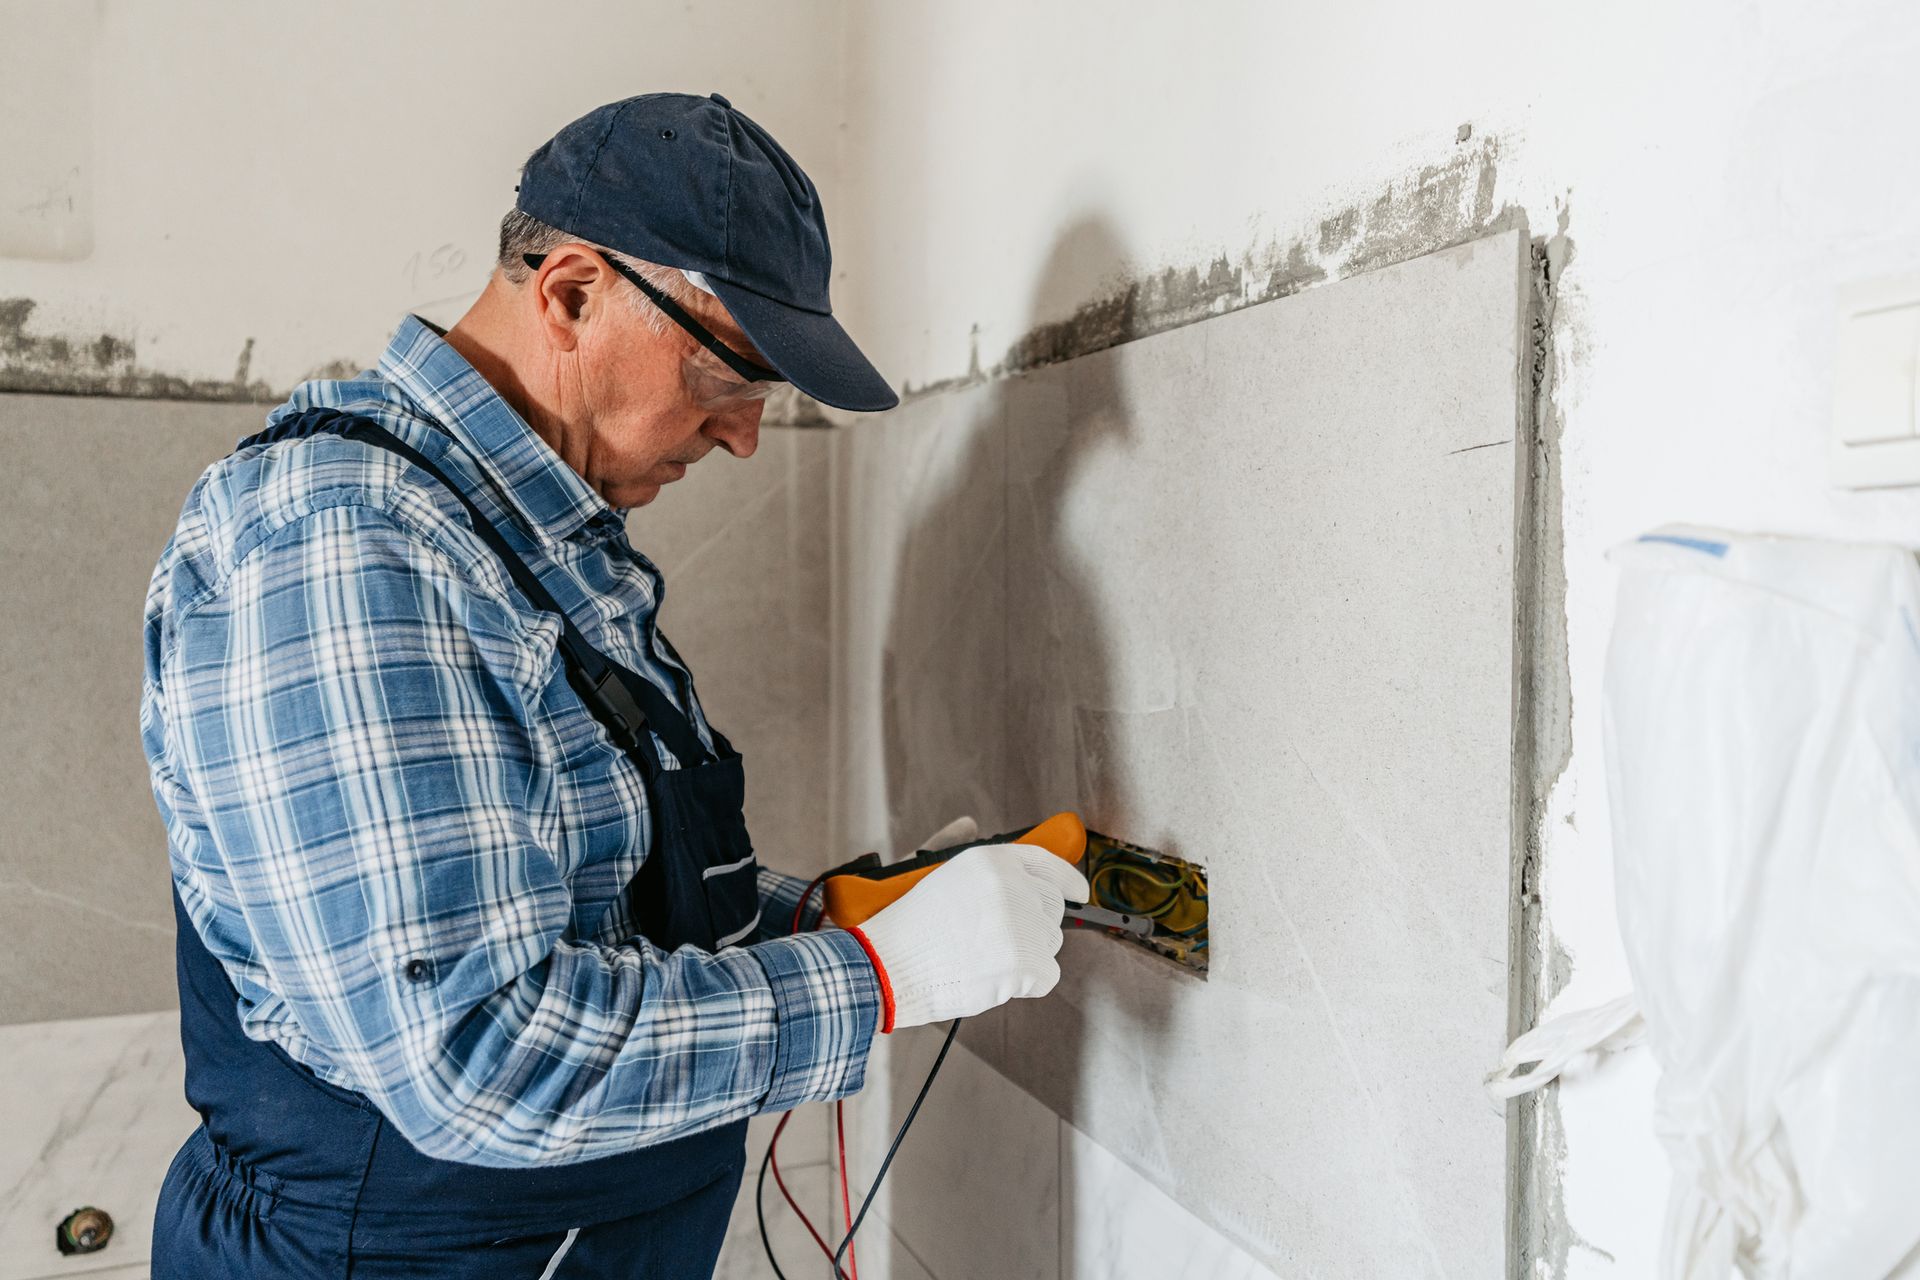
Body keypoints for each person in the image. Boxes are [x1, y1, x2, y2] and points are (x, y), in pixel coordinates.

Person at [140, 92, 1087, 1279]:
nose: (745, 436)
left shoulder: (534, 535)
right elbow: (473, 1056)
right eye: (728, 373)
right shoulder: (348, 542)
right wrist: (879, 975)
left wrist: (829, 912)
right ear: (574, 294)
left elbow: (590, 874)